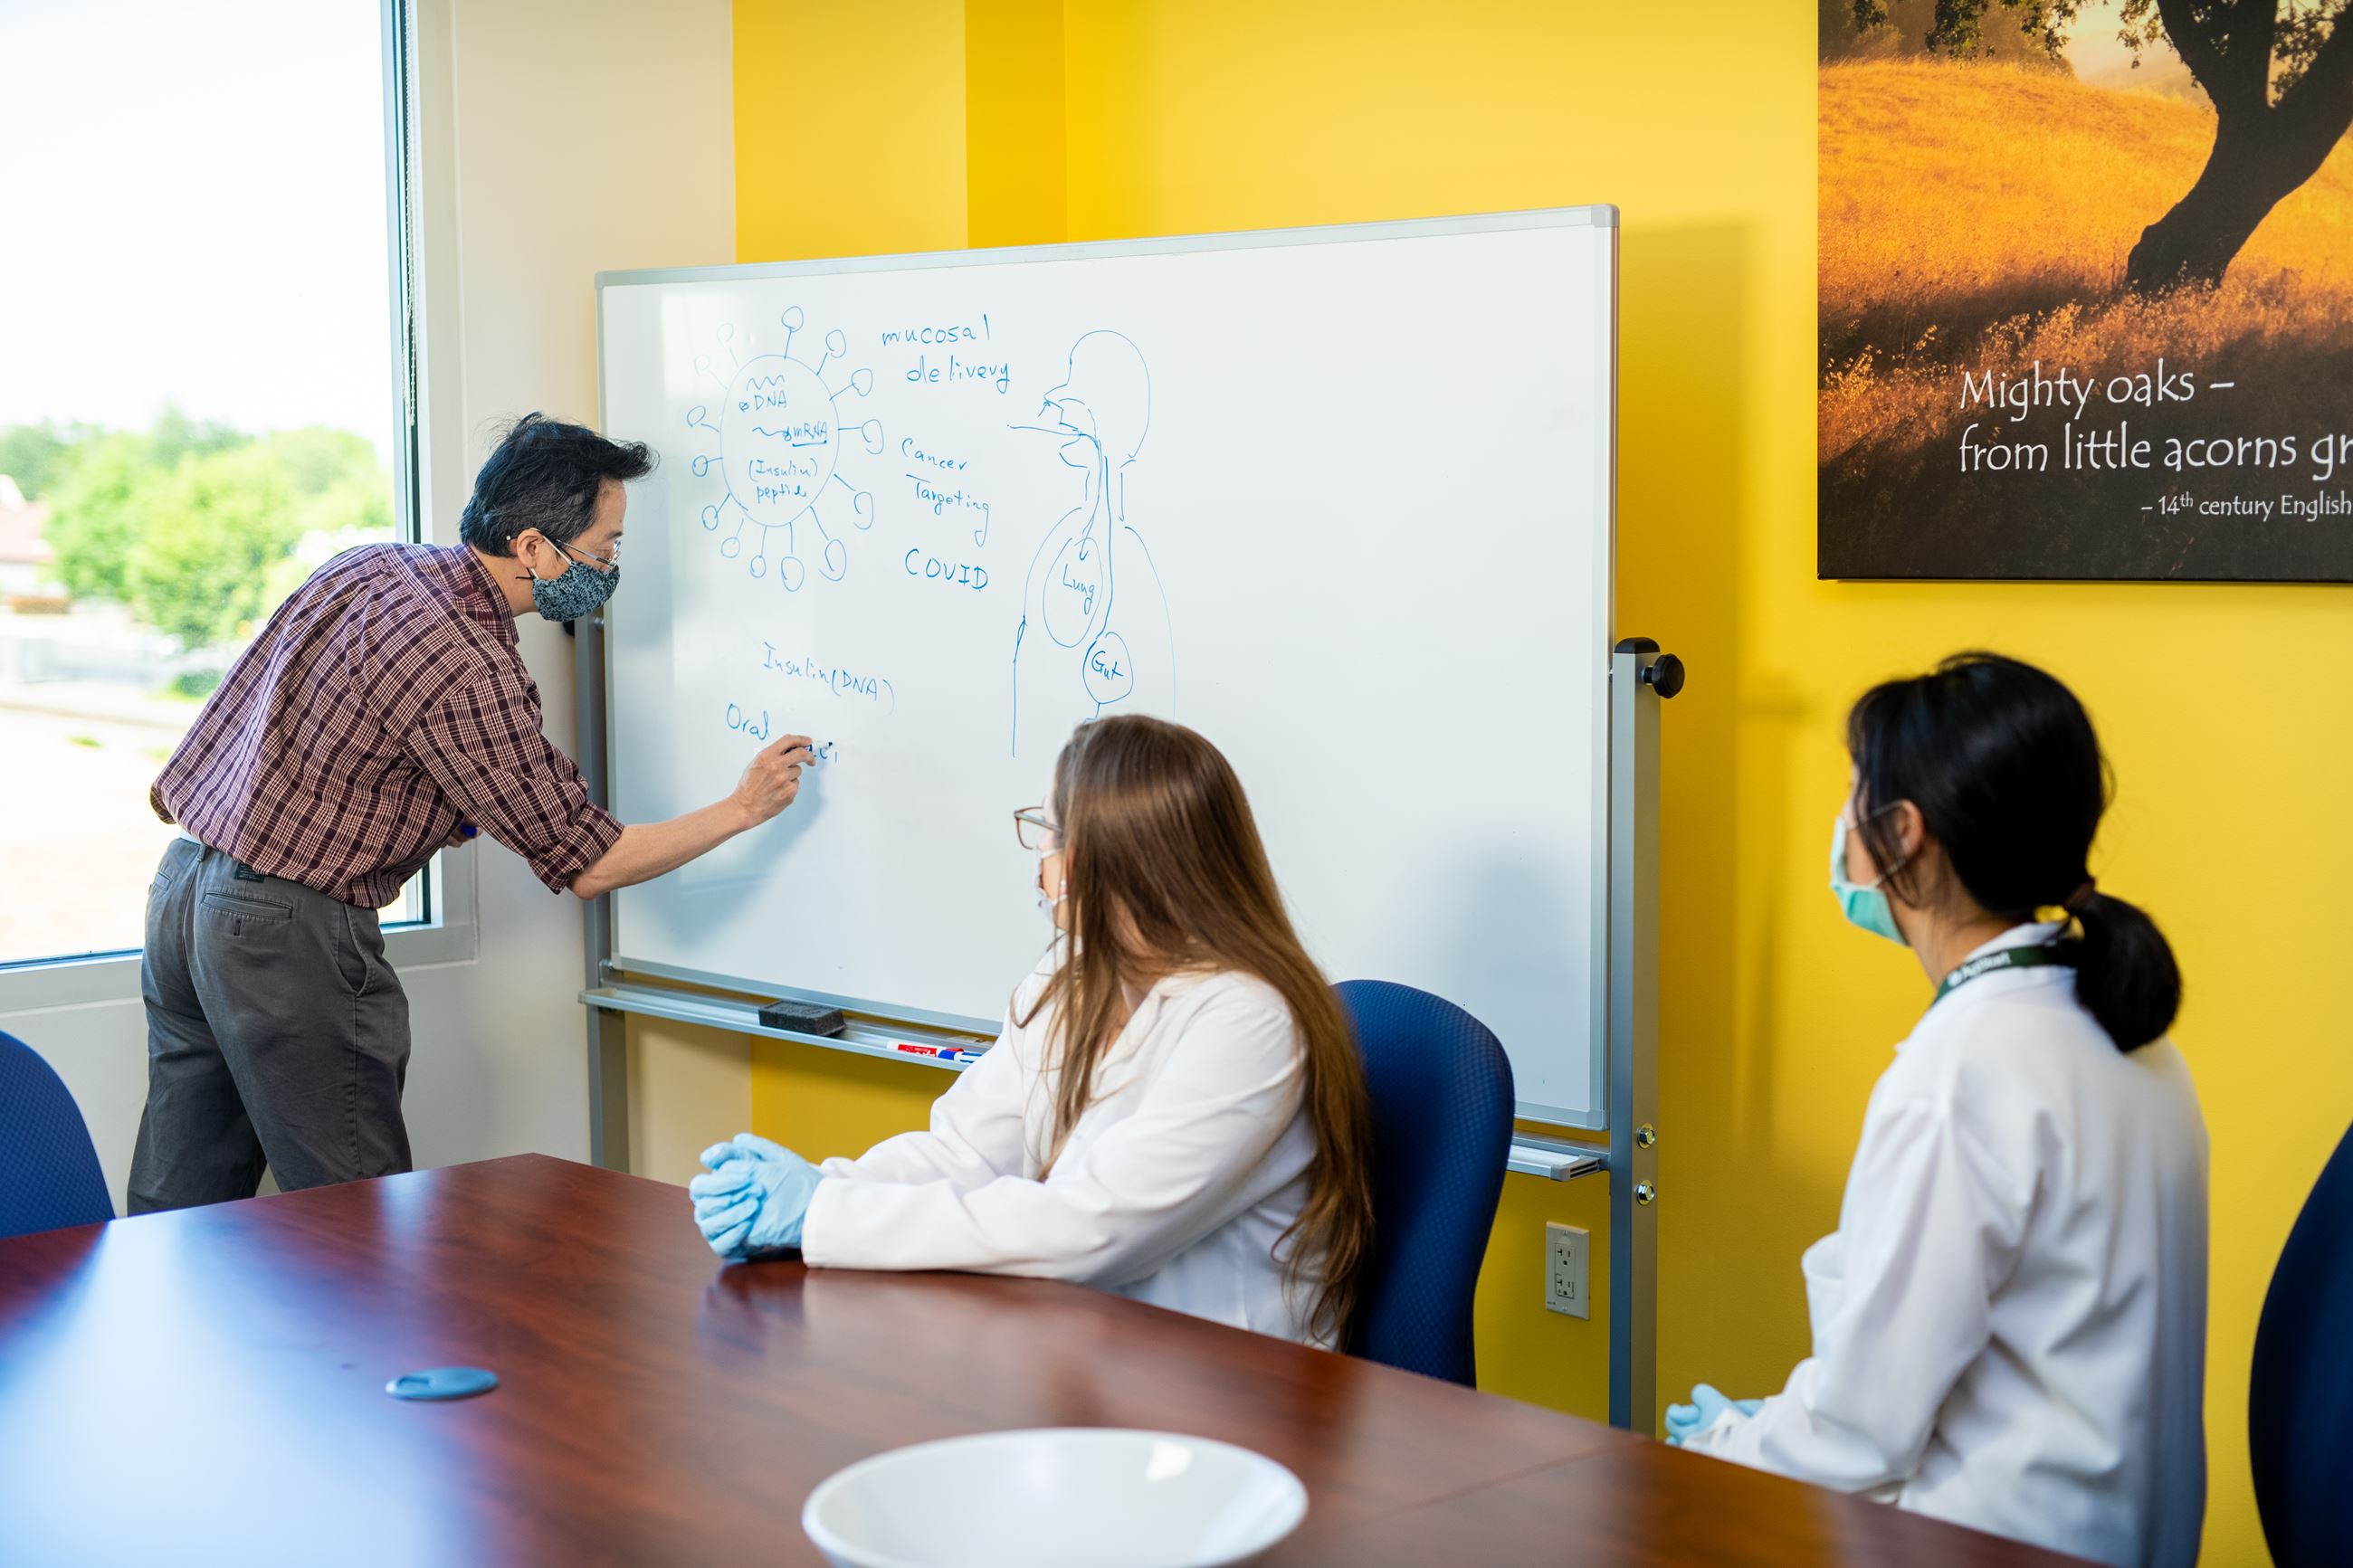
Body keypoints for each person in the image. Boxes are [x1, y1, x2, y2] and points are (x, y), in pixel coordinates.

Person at [131, 413, 815, 1212]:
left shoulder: (372, 568)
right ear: (532, 548)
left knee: (182, 1202)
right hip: (284, 934)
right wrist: (743, 807)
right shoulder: (464, 662)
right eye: (605, 550)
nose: (612, 568)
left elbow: (312, 741)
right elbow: (592, 861)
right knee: (353, 1210)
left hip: (185, 893)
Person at [1667, 653, 2208, 1568]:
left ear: (1902, 832)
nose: (1841, 822)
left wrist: (1726, 1448)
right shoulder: (2131, 1029)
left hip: (1989, 1536)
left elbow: (1859, 1427)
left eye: (1852, 793)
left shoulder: (1960, 1071)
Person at [689, 715, 1374, 1346]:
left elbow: (1089, 1226)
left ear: (1106, 858)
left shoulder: (1247, 1022)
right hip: (1092, 1353)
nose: (1039, 862)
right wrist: (828, 1185)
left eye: (1047, 834)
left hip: (1228, 1394)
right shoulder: (1070, 975)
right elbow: (964, 1152)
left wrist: (825, 1215)